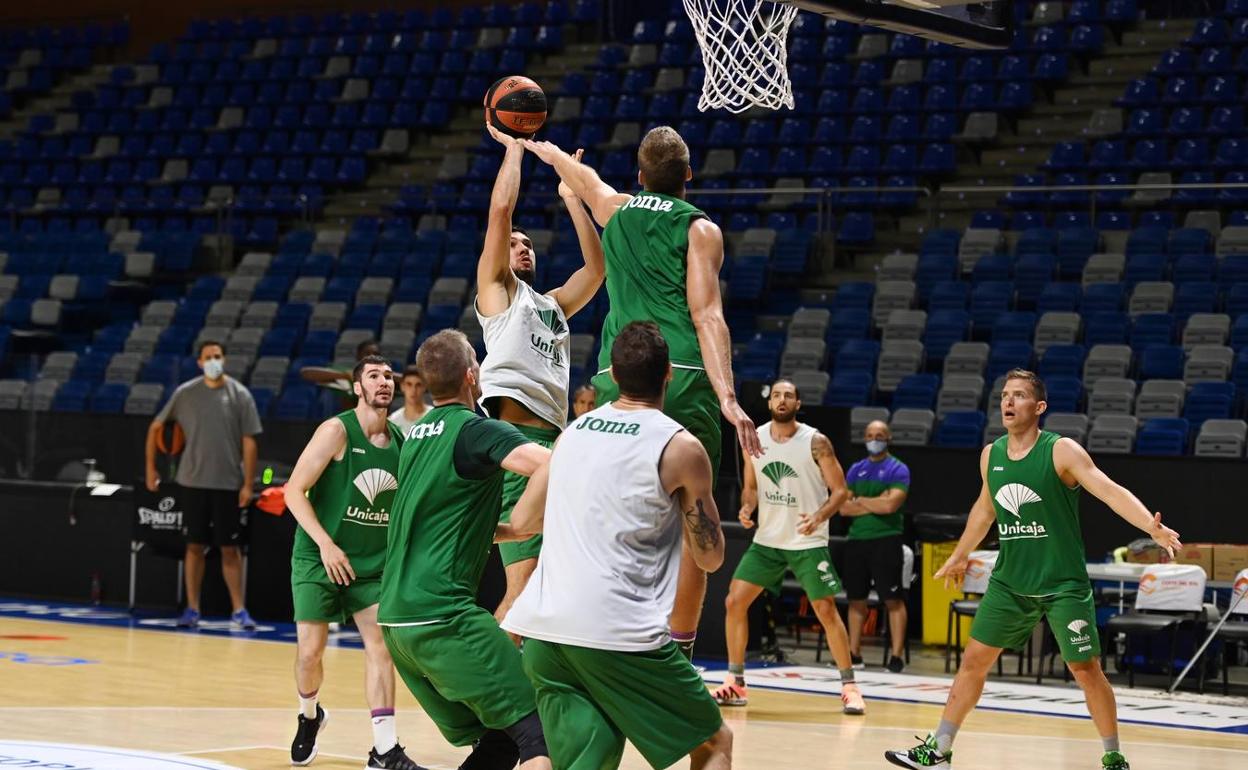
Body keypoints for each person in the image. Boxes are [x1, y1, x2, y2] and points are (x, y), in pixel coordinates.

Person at [524, 125, 763, 660]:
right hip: (679, 376)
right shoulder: (699, 229)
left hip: (617, 378)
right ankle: (676, 653)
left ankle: (595, 631)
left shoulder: (614, 207)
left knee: (610, 508)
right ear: (688, 176)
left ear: (639, 176)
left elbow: (578, 174)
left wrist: (530, 146)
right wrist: (727, 396)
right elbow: (708, 314)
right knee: (691, 528)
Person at [885, 370, 1182, 770]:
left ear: (1038, 407)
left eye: (1019, 395)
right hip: (1011, 582)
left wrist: (1151, 526)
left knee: (1086, 669)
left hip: (1062, 584)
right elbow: (985, 510)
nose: (1008, 402)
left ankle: (1113, 755)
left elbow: (1109, 491)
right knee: (973, 661)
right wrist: (959, 554)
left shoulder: (1061, 451)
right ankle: (939, 750)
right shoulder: (991, 454)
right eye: (1005, 395)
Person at [502, 321, 732, 770]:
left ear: (611, 373)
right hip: (617, 637)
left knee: (588, 760)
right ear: (669, 374)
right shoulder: (680, 446)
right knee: (713, 741)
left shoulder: (571, 434)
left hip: (546, 636)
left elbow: (523, 522)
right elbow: (711, 555)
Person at [378, 330, 553, 770]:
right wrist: (526, 523)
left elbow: (440, 514)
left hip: (397, 624)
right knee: (540, 732)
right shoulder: (478, 430)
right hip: (443, 618)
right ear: (473, 376)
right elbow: (549, 463)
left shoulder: (416, 434)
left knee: (500, 739)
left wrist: (504, 531)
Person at [476, 124, 605, 635]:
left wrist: (573, 198)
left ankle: (523, 682)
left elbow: (596, 271)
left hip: (553, 445)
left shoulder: (551, 305)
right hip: (516, 443)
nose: (523, 247)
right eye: (514, 244)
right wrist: (514, 151)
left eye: (529, 244)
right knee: (524, 584)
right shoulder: (497, 295)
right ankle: (486, 686)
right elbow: (500, 214)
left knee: (550, 583)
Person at [282, 355, 423, 769]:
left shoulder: (402, 443)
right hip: (319, 555)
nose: (384, 382)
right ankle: (309, 716)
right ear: (358, 388)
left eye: (388, 377)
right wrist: (326, 544)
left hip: (370, 565)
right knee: (310, 652)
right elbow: (293, 491)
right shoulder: (335, 431)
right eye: (373, 376)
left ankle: (384, 750)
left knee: (381, 647)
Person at [712, 379, 864, 715]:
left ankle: (850, 686)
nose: (782, 400)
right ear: (769, 404)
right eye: (777, 395)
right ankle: (736, 682)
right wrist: (747, 507)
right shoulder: (755, 438)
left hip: (806, 539)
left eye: (789, 396)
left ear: (798, 404)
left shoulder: (816, 441)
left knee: (825, 609)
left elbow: (840, 491)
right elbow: (751, 487)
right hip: (768, 539)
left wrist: (820, 516)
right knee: (734, 601)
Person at [144, 340, 262, 630]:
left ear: (225, 359)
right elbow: (156, 428)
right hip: (193, 482)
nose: (213, 361)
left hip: (228, 484)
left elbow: (249, 441)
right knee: (194, 546)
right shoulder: (185, 393)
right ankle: (192, 608)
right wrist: (150, 468)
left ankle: (239, 609)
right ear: (199, 362)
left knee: (230, 548)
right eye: (208, 357)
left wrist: (248, 483)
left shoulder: (240, 395)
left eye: (218, 356)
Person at [840, 419, 911, 672]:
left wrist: (860, 500)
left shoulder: (898, 469)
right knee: (856, 599)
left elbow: (891, 506)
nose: (874, 439)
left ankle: (896, 656)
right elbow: (843, 507)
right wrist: (874, 501)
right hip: (857, 541)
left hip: (886, 539)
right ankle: (854, 654)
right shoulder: (856, 469)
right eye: (870, 435)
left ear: (888, 438)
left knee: (892, 599)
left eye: (879, 435)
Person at [388, 364, 429, 436]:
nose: (413, 390)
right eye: (409, 384)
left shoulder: (435, 417)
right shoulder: (393, 421)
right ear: (402, 386)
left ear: (425, 387)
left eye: (418, 385)